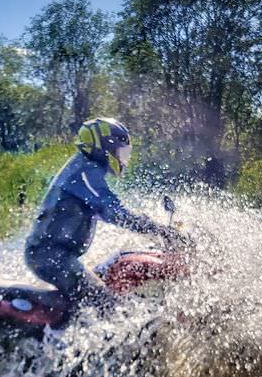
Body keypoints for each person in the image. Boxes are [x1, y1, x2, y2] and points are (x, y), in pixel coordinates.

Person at [25, 117, 187, 315]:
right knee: (105, 304)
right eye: (120, 150)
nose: (122, 157)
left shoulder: (83, 169)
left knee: (96, 293)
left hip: (54, 256)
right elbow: (113, 212)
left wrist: (151, 228)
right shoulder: (84, 171)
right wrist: (158, 229)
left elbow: (111, 211)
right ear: (104, 147)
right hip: (51, 257)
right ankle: (67, 343)